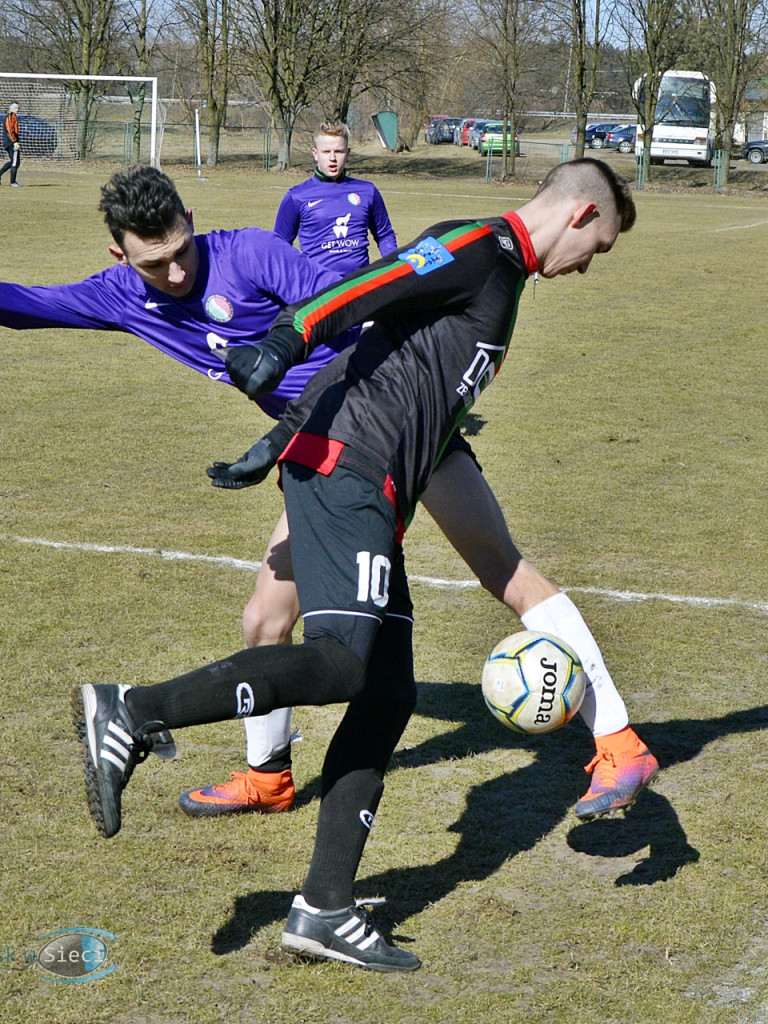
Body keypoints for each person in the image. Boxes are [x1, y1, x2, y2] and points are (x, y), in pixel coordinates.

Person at [72, 158, 650, 973]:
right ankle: (130, 712)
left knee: (387, 695)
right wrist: (287, 336)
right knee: (343, 662)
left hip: (374, 483)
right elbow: (368, 290)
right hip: (351, 472)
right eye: (601, 247)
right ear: (583, 213)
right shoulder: (479, 245)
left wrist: (276, 437)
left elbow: (371, 354)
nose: (589, 265)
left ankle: (325, 908)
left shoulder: (505, 275)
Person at [272, 119, 397, 274]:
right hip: (317, 290)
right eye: (326, 152)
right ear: (315, 154)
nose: (332, 158)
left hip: (357, 287)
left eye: (338, 151)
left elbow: (384, 235)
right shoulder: (296, 196)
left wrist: (394, 269)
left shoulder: (367, 191)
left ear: (348, 153)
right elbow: (277, 247)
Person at [0, 102, 22, 187]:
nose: (18, 109)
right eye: (16, 108)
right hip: (10, 142)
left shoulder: (14, 117)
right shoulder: (9, 117)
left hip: (12, 141)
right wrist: (14, 141)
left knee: (14, 161)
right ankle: (12, 182)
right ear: (12, 109)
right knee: (15, 162)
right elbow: (10, 130)